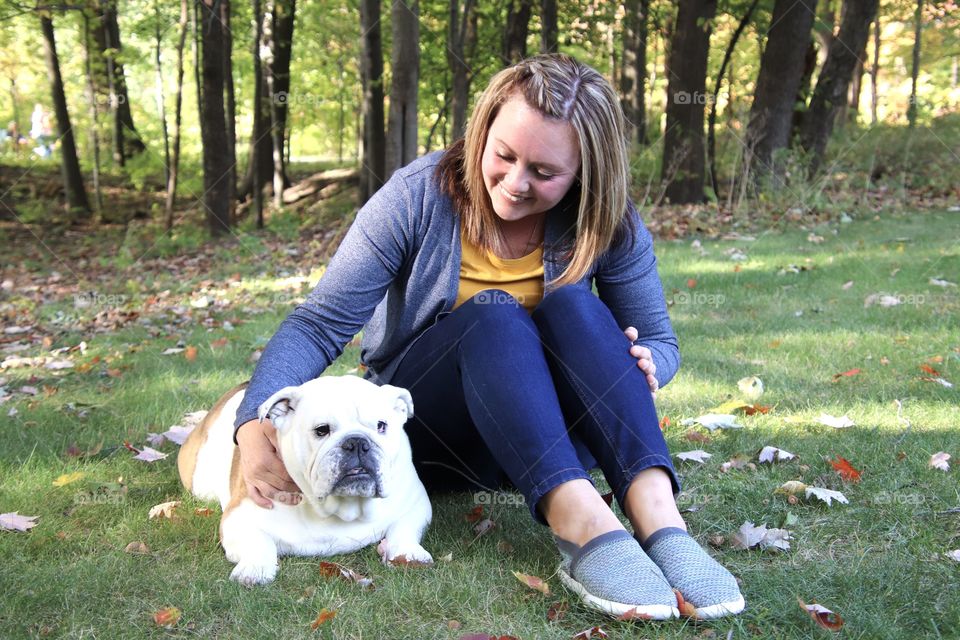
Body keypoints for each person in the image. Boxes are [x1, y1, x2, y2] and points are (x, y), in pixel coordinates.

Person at [232, 53, 744, 620]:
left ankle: (660, 521)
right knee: (494, 311)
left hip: (553, 435)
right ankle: (581, 522)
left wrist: (648, 362)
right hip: (437, 430)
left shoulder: (607, 217)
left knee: (576, 304)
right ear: (482, 131)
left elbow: (661, 343)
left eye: (545, 173)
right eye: (503, 155)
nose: (515, 182)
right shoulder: (414, 197)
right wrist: (253, 420)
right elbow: (319, 322)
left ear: (585, 175)